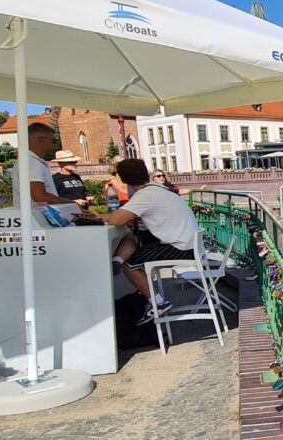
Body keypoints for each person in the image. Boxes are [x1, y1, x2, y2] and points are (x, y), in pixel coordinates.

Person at [106, 158, 200, 324]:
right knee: (133, 237)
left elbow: (115, 220)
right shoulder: (159, 189)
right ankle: (117, 261)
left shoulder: (145, 195)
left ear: (124, 179)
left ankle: (158, 302)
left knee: (130, 264)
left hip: (179, 247)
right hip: (190, 244)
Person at [10, 123, 88, 209]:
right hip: (36, 215)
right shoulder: (32, 162)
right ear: (41, 140)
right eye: (53, 141)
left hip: (36, 214)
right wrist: (73, 204)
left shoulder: (31, 161)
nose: (54, 145)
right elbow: (39, 196)